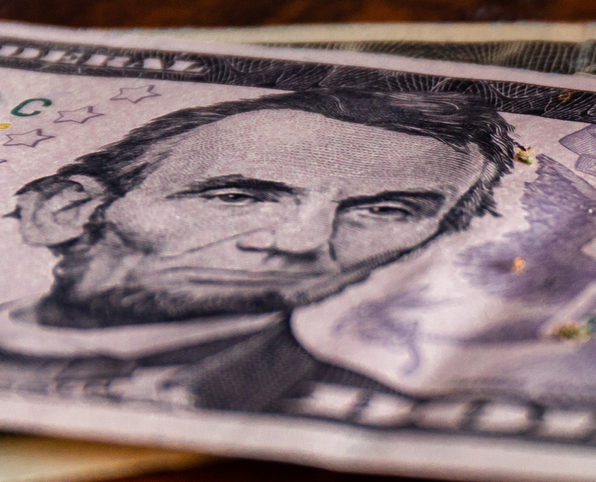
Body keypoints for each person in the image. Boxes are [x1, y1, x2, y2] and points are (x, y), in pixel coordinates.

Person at [0, 88, 517, 413]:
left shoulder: (391, 412)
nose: (301, 243)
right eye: (237, 196)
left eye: (385, 211)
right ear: (64, 210)